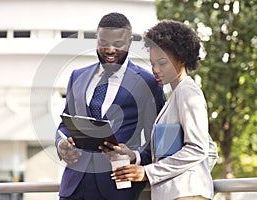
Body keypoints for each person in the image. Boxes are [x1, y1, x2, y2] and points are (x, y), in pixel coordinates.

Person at [55, 12, 165, 200]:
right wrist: (61, 145)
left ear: (130, 42)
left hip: (117, 187)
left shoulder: (148, 83)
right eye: (104, 43)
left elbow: (158, 139)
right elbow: (65, 124)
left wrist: (135, 156)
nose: (110, 50)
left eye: (118, 44)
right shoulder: (77, 77)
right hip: (74, 186)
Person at [111, 19, 218, 200]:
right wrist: (134, 156)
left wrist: (148, 172)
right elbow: (210, 149)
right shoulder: (176, 96)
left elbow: (198, 149)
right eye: (153, 64)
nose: (155, 70)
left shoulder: (187, 91)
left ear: (182, 58)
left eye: (162, 63)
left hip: (185, 195)